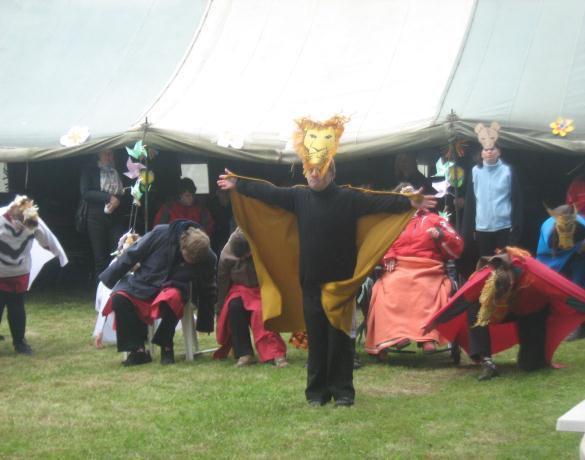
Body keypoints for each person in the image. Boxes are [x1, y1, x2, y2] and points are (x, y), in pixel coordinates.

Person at [218, 114, 436, 407]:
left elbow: (380, 200)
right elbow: (269, 192)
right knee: (317, 341)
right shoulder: (299, 198)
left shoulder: (349, 198)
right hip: (310, 283)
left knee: (340, 341)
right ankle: (316, 394)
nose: (314, 175)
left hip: (341, 286)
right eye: (310, 170)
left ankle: (343, 392)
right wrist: (239, 184)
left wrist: (409, 201)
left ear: (331, 172)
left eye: (319, 170)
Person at [424, 247, 585, 381]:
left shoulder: (532, 275)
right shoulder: (487, 278)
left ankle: (535, 355)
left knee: (530, 366)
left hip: (533, 312)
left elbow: (565, 293)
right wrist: (436, 321)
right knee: (475, 308)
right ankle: (487, 362)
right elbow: (462, 300)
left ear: (513, 282)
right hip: (503, 310)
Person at [365, 184, 464, 358]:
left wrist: (441, 235)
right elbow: (376, 245)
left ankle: (427, 337)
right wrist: (388, 254)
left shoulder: (434, 219)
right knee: (389, 289)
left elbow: (457, 246)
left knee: (425, 290)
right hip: (399, 268)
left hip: (429, 268)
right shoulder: (390, 223)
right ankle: (395, 335)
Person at [99, 220, 217, 366]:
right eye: (190, 258)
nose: (192, 262)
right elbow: (133, 253)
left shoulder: (207, 256)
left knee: (172, 298)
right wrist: (110, 276)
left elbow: (208, 288)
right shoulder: (161, 233)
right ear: (183, 245)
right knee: (119, 298)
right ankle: (137, 351)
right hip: (144, 282)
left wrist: (205, 321)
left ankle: (166, 347)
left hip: (174, 288)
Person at [0, 195, 67, 354]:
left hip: (20, 272)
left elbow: (48, 240)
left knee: (17, 307)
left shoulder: (33, 220)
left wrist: (60, 256)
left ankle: (20, 342)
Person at [213, 228, 288, 367]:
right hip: (239, 288)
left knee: (259, 312)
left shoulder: (263, 245)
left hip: (262, 288)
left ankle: (274, 352)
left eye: (245, 257)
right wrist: (220, 307)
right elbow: (223, 281)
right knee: (234, 306)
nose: (242, 260)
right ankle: (244, 353)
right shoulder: (226, 255)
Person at [462, 123, 523, 258]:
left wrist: (515, 225)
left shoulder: (508, 171)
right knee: (486, 264)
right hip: (482, 227)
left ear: (499, 151)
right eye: (486, 150)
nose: (489, 152)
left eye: (493, 149)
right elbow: (471, 201)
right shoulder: (475, 171)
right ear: (481, 153)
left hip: (504, 226)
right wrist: (470, 228)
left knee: (504, 263)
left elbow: (516, 199)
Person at [537, 204, 585, 341]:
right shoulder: (549, 230)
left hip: (579, 256)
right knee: (549, 288)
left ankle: (577, 325)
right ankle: (550, 323)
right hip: (551, 259)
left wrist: (579, 249)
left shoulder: (581, 226)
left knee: (577, 287)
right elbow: (551, 253)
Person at [80, 149, 127, 282]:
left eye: (112, 154)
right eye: (106, 154)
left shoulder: (119, 169)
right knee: (100, 258)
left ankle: (114, 290)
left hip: (116, 215)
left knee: (117, 254)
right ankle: (99, 291)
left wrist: (117, 200)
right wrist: (107, 197)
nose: (109, 156)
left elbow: (127, 191)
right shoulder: (89, 169)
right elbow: (86, 193)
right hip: (96, 217)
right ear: (98, 154)